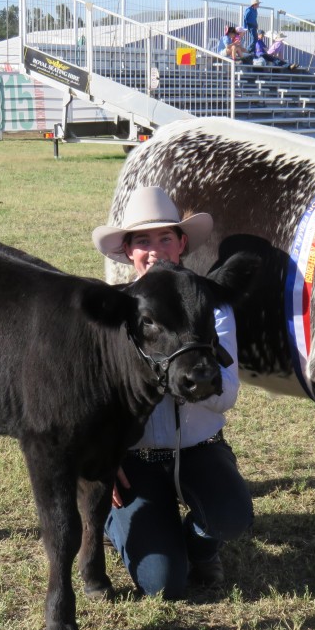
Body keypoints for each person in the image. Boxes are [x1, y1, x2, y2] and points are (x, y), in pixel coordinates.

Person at [91, 186, 253, 600]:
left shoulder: (212, 305)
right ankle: (119, 521)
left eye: (165, 237)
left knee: (231, 517)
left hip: (199, 446)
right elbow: (95, 399)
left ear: (182, 243)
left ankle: (200, 545)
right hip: (135, 460)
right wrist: (102, 460)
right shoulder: (117, 311)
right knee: (163, 584)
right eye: (143, 240)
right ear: (128, 250)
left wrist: (187, 380)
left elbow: (228, 392)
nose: (155, 250)